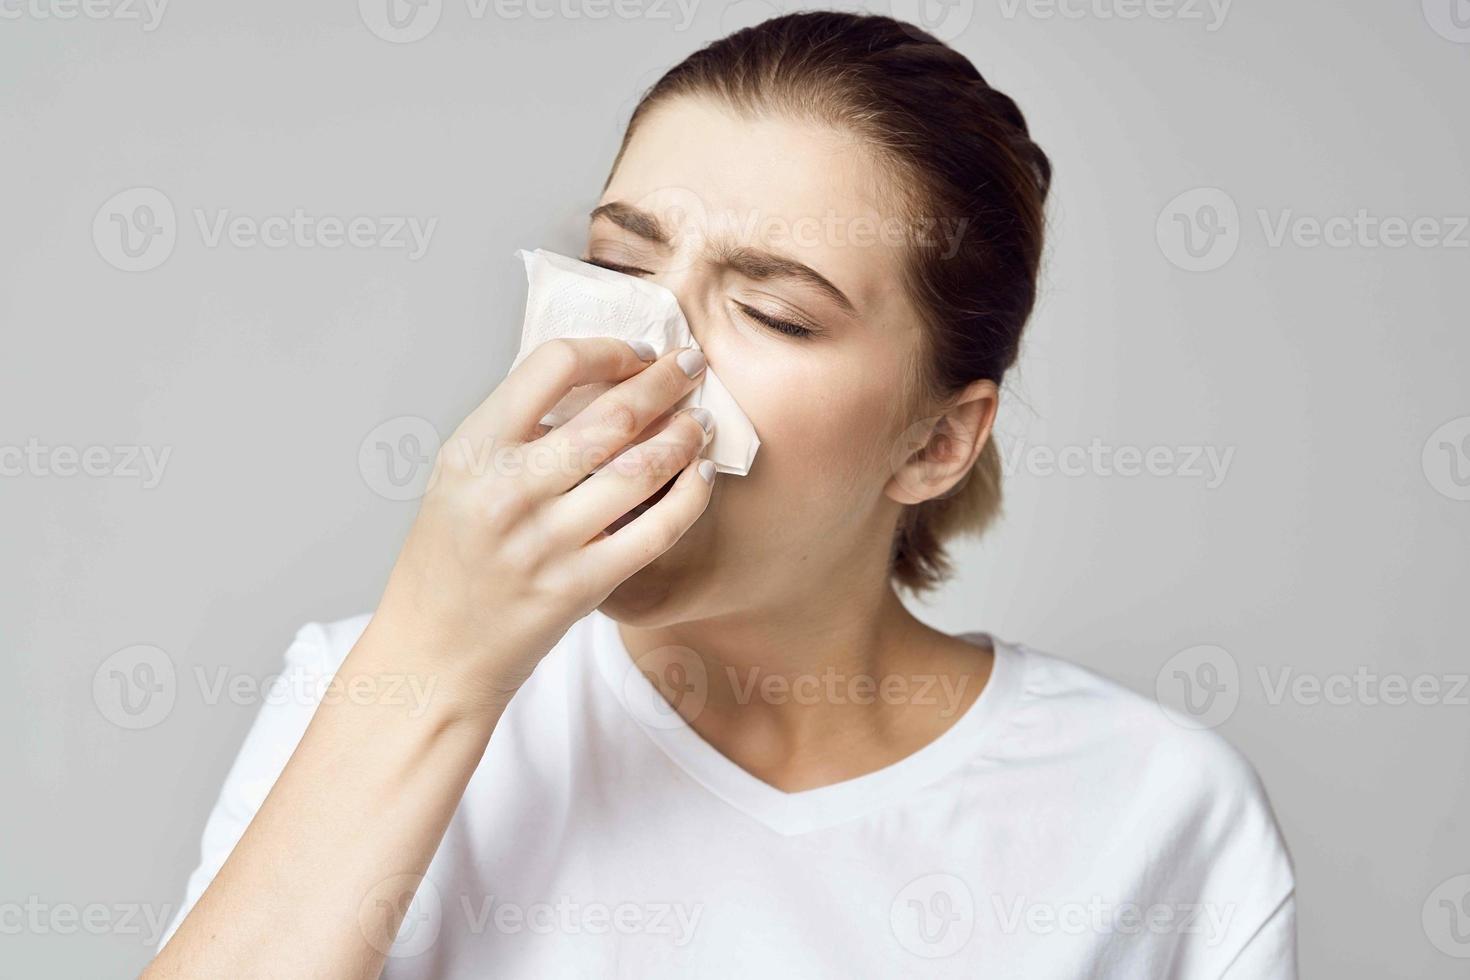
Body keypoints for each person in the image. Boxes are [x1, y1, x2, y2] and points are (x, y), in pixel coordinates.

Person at [145, 11, 1295, 978]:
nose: (653, 357)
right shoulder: (366, 689)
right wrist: (434, 662)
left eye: (775, 313)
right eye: (621, 263)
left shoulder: (1153, 813)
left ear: (939, 441)